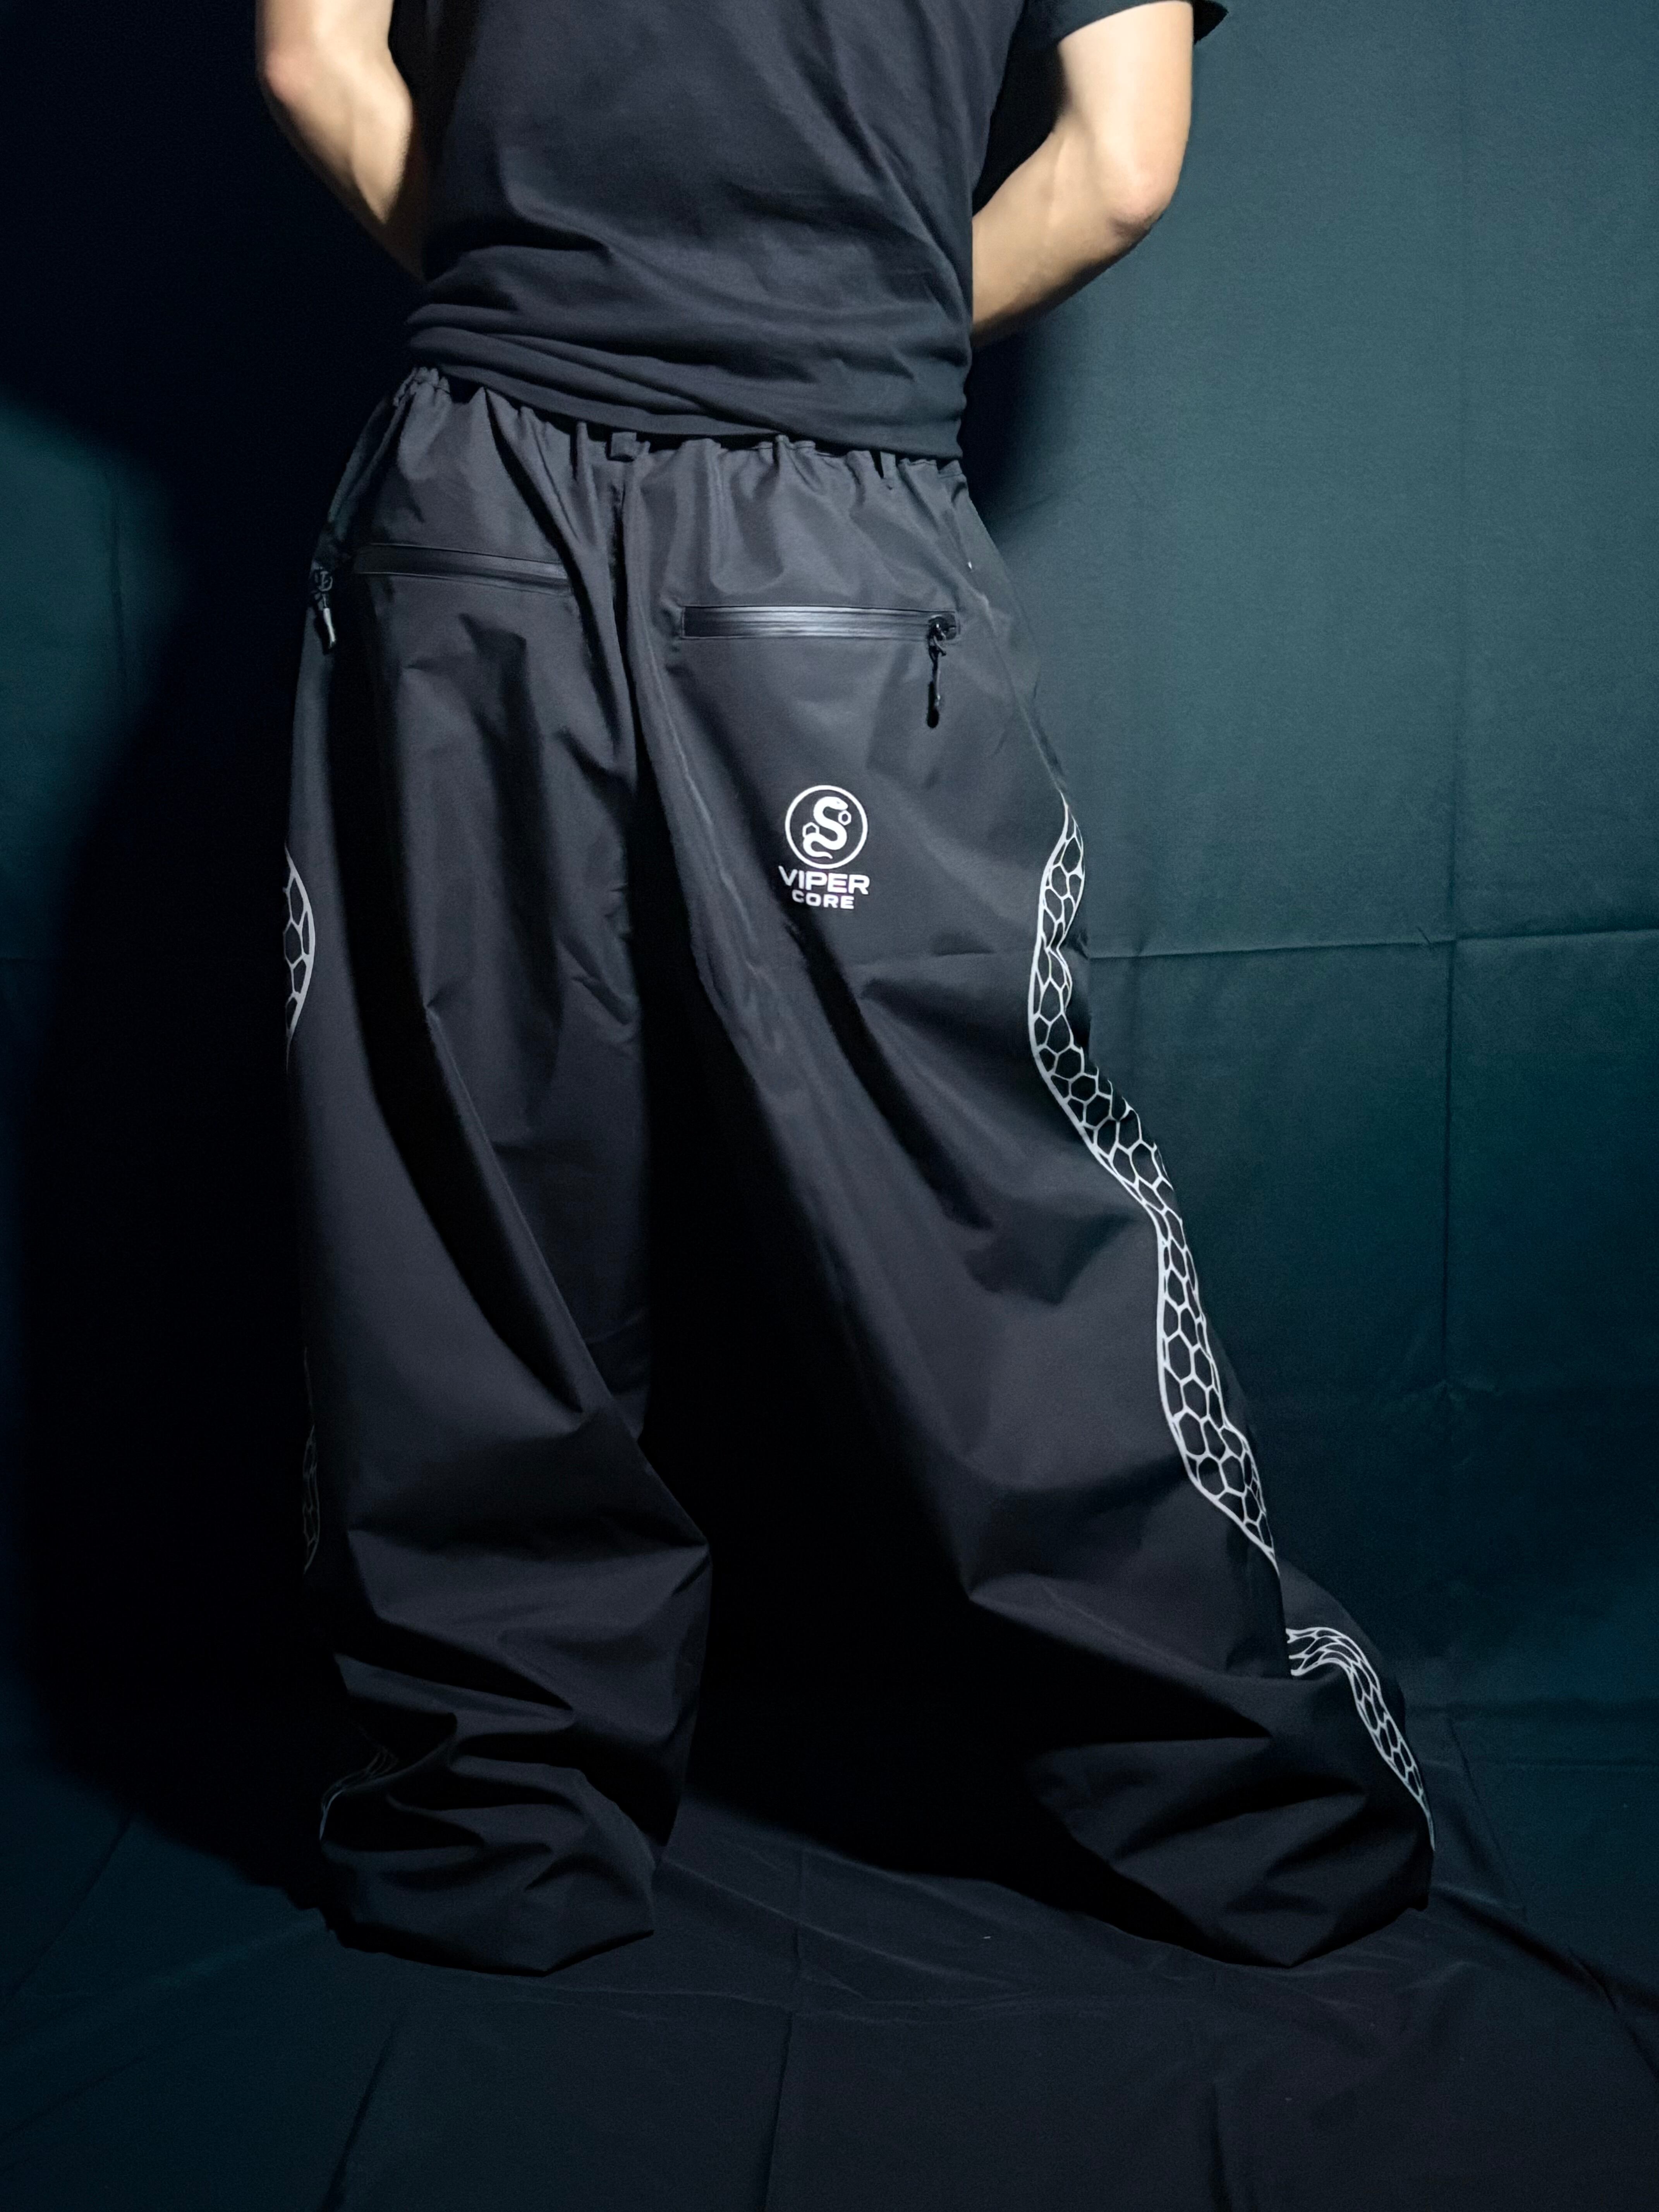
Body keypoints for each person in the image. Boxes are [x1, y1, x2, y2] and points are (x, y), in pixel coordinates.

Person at [260, 0, 1434, 1976]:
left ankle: (490, 1833)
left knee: (467, 1187)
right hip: (830, 507)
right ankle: (1257, 1808)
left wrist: (546, 303)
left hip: (470, 504)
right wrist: (817, 328)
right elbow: (1119, 162)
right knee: (978, 1199)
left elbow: (314, 56)